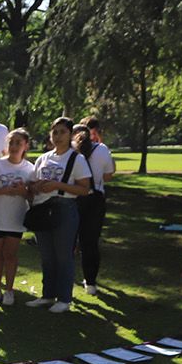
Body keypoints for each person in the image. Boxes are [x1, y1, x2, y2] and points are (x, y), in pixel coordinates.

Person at [26, 118, 94, 312]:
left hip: (64, 207)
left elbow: (84, 189)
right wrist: (35, 186)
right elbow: (32, 183)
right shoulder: (44, 158)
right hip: (42, 208)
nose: (57, 136)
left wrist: (57, 185)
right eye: (54, 132)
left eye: (62, 132)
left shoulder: (76, 159)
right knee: (47, 255)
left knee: (63, 255)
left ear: (70, 134)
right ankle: (48, 294)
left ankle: (64, 298)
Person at [0, 128, 36, 305]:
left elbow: (33, 196)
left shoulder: (30, 169)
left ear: (25, 146)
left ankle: (9, 290)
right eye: (11, 142)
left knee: (10, 254)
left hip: (16, 218)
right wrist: (6, 190)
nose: (14, 146)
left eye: (18, 143)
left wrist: (23, 191)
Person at [76, 114, 116, 295]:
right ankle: (90, 281)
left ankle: (64, 278)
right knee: (90, 242)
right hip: (95, 200)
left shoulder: (70, 150)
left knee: (67, 241)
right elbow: (108, 175)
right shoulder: (102, 149)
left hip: (74, 198)